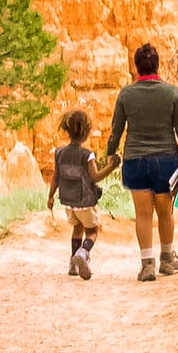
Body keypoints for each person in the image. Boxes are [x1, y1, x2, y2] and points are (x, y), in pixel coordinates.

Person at [106, 43, 178, 282]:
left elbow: (116, 130)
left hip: (135, 160)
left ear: (136, 67)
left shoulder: (126, 94)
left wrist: (110, 152)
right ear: (157, 65)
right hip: (166, 161)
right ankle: (167, 259)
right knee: (165, 213)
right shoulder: (172, 93)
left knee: (143, 214)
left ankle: (147, 265)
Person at [47, 110, 117, 280]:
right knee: (92, 230)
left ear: (67, 130)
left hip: (68, 202)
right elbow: (95, 177)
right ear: (86, 132)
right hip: (85, 201)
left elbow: (55, 177)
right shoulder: (87, 155)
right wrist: (111, 167)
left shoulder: (59, 153)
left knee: (77, 228)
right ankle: (83, 252)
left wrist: (50, 197)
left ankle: (73, 264)